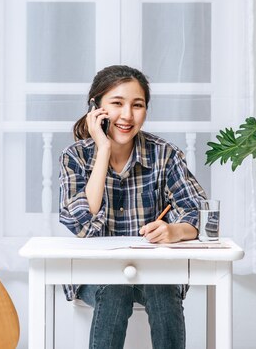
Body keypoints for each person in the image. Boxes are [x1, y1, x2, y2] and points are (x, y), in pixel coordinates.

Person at [58, 65, 207, 349]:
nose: (127, 115)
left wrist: (174, 231)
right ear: (96, 108)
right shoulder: (75, 156)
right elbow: (79, 223)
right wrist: (103, 150)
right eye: (117, 104)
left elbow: (198, 211)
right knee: (114, 289)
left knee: (163, 288)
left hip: (153, 271)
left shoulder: (165, 154)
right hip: (94, 274)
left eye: (137, 105)